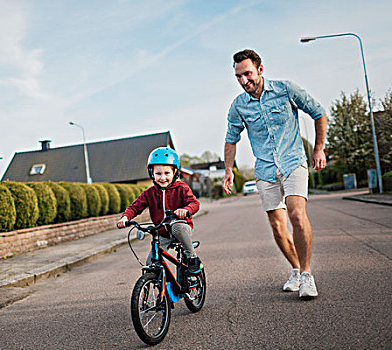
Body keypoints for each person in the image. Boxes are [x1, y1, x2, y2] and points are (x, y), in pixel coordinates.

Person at [223, 49, 327, 299]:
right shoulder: (238, 106)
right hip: (265, 170)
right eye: (238, 76)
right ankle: (295, 268)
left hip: (293, 162)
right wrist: (228, 169)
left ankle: (306, 275)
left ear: (260, 69)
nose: (243, 80)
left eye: (247, 74)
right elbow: (231, 139)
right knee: (277, 227)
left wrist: (319, 148)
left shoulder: (285, 89)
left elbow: (319, 112)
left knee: (296, 214)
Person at [117, 147, 202, 274]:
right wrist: (125, 217)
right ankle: (161, 284)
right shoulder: (150, 193)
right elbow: (135, 206)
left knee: (177, 227)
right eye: (158, 174)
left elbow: (194, 203)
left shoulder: (182, 188)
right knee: (150, 263)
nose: (162, 177)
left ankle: (192, 258)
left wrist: (185, 210)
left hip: (182, 228)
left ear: (175, 173)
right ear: (152, 174)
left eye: (167, 173)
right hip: (162, 233)